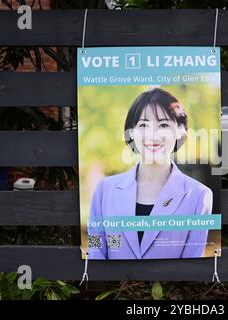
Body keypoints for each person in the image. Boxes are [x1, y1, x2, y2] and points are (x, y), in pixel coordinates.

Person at [87, 88, 213, 259]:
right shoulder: (104, 190)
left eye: (163, 125)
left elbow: (192, 260)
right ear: (131, 131)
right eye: (144, 125)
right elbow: (96, 247)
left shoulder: (199, 196)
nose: (153, 136)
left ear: (179, 131)